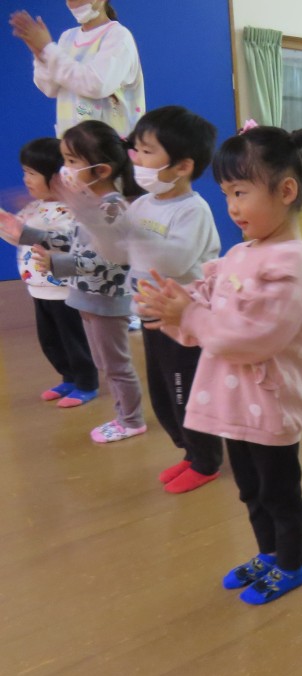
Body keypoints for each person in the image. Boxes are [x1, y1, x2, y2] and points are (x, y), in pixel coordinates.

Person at [137, 122, 302, 604]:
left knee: (279, 492)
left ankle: (291, 563)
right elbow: (208, 296)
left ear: (286, 191)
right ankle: (268, 553)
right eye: (226, 194)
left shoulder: (288, 266)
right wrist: (174, 304)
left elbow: (252, 337)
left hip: (270, 406)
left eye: (240, 192)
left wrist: (190, 315)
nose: (232, 207)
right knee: (250, 490)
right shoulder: (241, 252)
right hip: (234, 403)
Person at [85, 105, 223, 493]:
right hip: (149, 316)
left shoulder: (193, 210)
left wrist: (129, 234)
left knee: (185, 394)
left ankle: (206, 461)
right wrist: (101, 228)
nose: (137, 160)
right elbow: (119, 253)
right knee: (163, 397)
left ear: (182, 166)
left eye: (147, 152)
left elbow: (173, 259)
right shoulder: (144, 204)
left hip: (184, 322)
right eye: (137, 150)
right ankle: (190, 452)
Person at [10, 120, 146, 443]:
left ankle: (130, 420)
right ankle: (122, 415)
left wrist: (58, 264)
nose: (65, 170)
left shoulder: (112, 208)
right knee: (103, 362)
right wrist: (26, 233)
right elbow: (72, 240)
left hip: (106, 299)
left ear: (101, 170)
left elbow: (110, 259)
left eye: (71, 161)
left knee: (116, 365)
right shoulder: (90, 204)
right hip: (87, 297)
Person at [0, 137, 97, 407]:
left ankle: (86, 383)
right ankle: (69, 378)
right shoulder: (34, 207)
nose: (26, 179)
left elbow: (64, 241)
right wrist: (5, 222)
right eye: (24, 172)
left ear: (57, 177)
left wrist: (25, 230)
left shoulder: (71, 211)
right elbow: (17, 235)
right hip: (38, 288)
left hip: (64, 290)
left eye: (32, 173)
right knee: (50, 341)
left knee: (74, 340)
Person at [10, 0, 145, 138]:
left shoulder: (118, 36)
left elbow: (97, 85)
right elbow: (50, 88)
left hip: (110, 146)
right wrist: (40, 53)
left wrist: (48, 49)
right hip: (72, 144)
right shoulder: (67, 37)